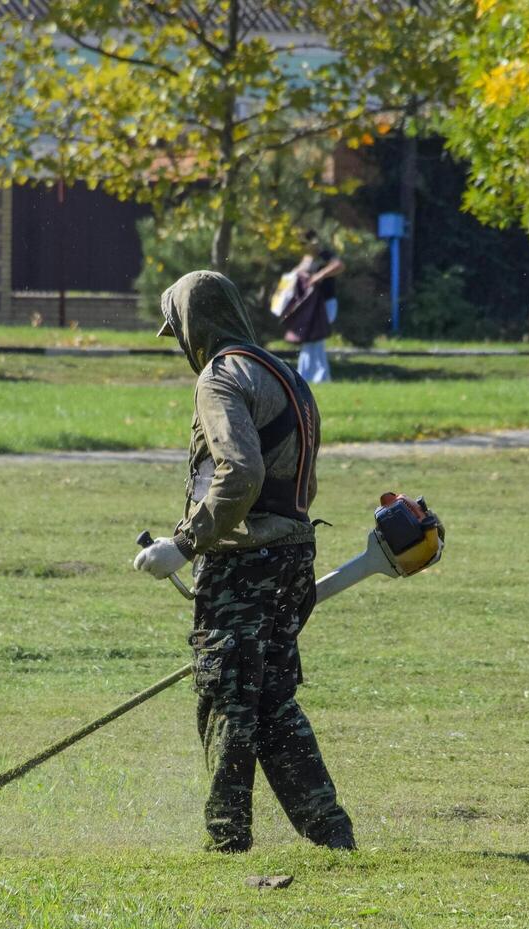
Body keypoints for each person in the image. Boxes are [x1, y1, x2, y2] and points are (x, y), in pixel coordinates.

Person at [133, 269, 356, 854]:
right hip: (294, 553)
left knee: (227, 695)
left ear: (191, 326)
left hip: (245, 562)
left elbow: (243, 472)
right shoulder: (283, 373)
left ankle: (226, 839)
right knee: (271, 698)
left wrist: (183, 543)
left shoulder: (220, 377)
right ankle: (330, 831)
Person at [294, 230, 344, 384]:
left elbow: (339, 266)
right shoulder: (307, 259)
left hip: (326, 303)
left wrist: (319, 275)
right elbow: (296, 274)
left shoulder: (325, 255)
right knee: (312, 340)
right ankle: (313, 376)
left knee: (315, 339)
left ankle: (313, 376)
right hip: (311, 306)